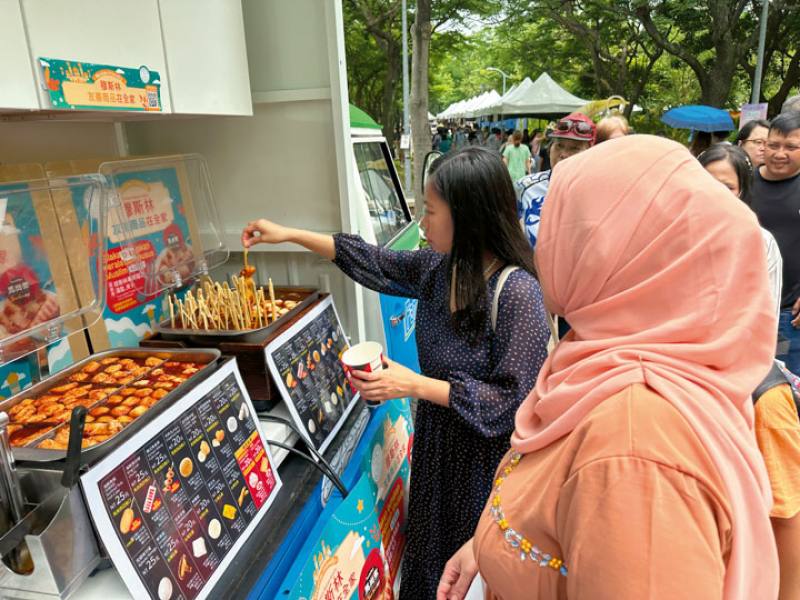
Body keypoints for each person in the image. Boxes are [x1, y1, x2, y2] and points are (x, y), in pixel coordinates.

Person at [437, 135, 779, 600]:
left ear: (623, 255)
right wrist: (493, 545)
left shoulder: (636, 449)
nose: (542, 242)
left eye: (567, 226)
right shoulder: (612, 350)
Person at [242, 147, 550, 599]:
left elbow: (512, 404)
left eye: (429, 211)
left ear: (467, 216)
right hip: (435, 453)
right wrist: (286, 234)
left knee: (467, 580)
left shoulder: (518, 292)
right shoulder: (440, 270)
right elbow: (371, 261)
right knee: (427, 570)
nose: (422, 224)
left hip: (482, 471)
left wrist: (413, 384)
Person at [699, 143, 800, 600]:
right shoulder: (670, 239)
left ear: (743, 192)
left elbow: (759, 320)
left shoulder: (766, 399)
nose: (712, 197)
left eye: (725, 188)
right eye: (703, 185)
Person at [698, 143, 782, 317]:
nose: (715, 192)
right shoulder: (674, 233)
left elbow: (767, 309)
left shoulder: (761, 241)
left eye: (728, 187)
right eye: (707, 182)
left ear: (741, 190)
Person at [752, 112, 800, 374]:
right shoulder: (745, 183)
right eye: (773, 145)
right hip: (743, 309)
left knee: (788, 392)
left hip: (789, 317)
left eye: (791, 147)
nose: (780, 153)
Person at [516, 113, 595, 249]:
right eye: (559, 146)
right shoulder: (524, 187)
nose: (564, 154)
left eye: (574, 148)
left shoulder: (600, 193)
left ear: (591, 152)